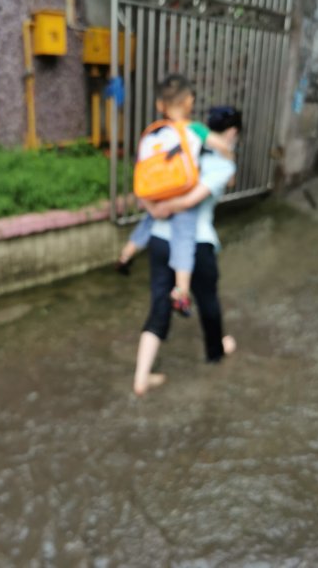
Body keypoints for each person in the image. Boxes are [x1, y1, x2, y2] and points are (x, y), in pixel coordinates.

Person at [133, 105, 242, 396]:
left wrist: (156, 209)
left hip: (159, 239)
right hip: (198, 244)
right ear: (232, 133)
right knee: (207, 302)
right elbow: (192, 200)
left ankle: (141, 376)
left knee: (159, 304)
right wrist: (228, 155)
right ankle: (215, 353)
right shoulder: (220, 164)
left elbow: (150, 186)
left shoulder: (182, 152)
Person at [116, 74, 233, 316]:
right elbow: (222, 146)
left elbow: (142, 170)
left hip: (157, 193)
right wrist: (229, 162)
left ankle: (126, 253)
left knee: (149, 220)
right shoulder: (194, 128)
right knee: (184, 238)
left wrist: (151, 205)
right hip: (181, 191)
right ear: (189, 101)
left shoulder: (154, 133)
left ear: (160, 105)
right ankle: (181, 291)